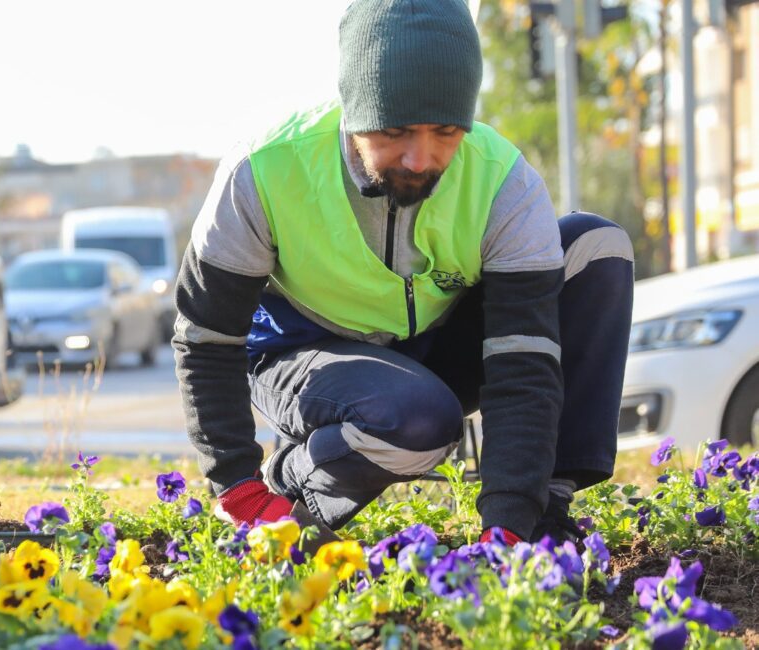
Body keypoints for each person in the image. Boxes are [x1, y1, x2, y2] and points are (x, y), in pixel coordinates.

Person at [172, 0, 634, 547]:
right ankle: (291, 480)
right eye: (395, 131)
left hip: (433, 346)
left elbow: (524, 362)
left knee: (596, 246)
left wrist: (510, 520)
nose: (421, 158)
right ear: (355, 111)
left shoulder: (504, 182)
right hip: (301, 353)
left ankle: (546, 511)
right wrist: (238, 485)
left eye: (444, 131)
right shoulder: (263, 170)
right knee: (418, 423)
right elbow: (205, 338)